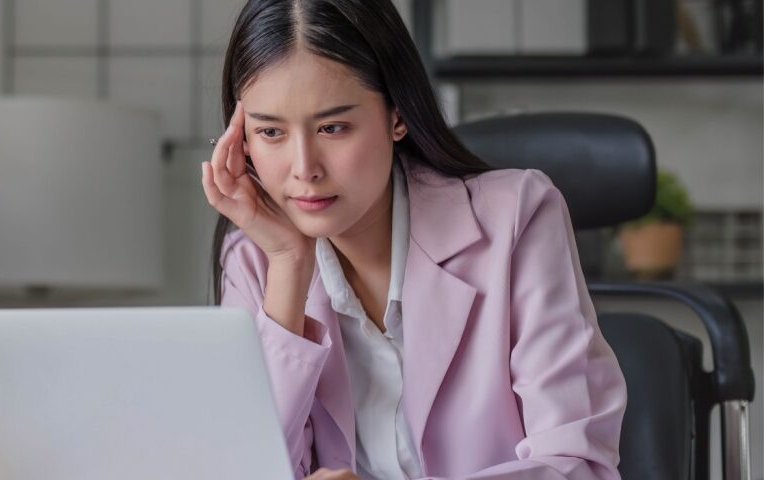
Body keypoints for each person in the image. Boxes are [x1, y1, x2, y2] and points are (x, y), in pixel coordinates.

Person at [199, 1, 627, 479]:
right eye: (270, 132)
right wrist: (288, 266)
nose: (304, 169)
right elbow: (246, 467)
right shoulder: (254, 259)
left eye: (333, 127)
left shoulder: (518, 217)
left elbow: (577, 465)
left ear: (396, 115)